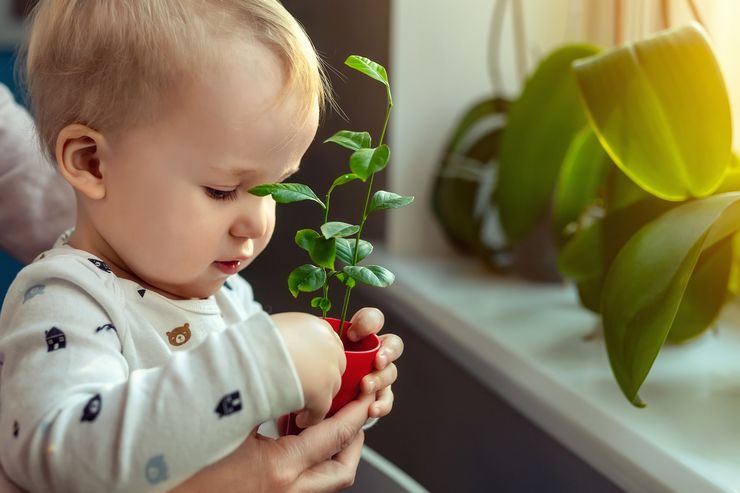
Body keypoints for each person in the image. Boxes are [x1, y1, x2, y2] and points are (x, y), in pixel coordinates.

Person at [0, 1, 403, 491]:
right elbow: (63, 458)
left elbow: (249, 424)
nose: (256, 222)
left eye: (274, 188)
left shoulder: (226, 295)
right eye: (220, 190)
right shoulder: (65, 302)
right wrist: (263, 364)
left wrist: (333, 390)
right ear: (91, 163)